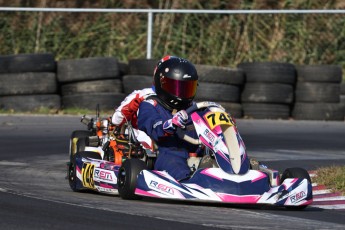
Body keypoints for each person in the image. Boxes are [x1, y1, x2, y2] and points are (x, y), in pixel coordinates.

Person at [137, 55, 199, 181]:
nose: (182, 94)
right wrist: (170, 124)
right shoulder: (149, 105)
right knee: (176, 164)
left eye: (187, 88)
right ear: (163, 84)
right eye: (178, 88)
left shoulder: (194, 109)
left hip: (197, 154)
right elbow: (154, 127)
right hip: (167, 153)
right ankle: (188, 183)